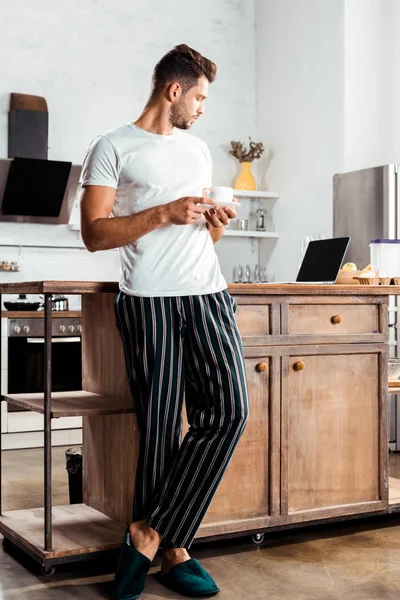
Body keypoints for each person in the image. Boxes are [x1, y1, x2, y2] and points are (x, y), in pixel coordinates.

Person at [80, 43, 249, 599]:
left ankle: (151, 533)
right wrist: (163, 212)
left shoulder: (198, 151)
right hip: (148, 300)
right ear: (174, 90)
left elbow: (203, 232)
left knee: (229, 412)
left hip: (207, 295)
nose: (202, 107)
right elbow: (94, 234)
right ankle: (176, 553)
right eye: (199, 96)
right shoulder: (111, 147)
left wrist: (215, 220)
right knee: (159, 430)